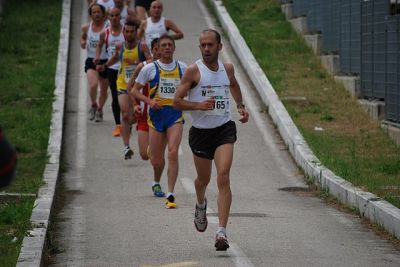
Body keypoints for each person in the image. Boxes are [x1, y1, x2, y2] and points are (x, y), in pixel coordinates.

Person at [173, 29, 249, 251]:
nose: (206, 49)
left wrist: (241, 106)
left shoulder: (227, 69)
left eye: (210, 45)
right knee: (202, 180)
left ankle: (221, 232)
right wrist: (198, 105)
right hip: (201, 133)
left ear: (219, 47)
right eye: (203, 45)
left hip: (224, 129)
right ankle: (200, 203)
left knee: (223, 176)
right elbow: (176, 101)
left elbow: (233, 84)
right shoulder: (193, 72)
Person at [131, 34, 186, 209]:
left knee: (172, 152)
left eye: (170, 44)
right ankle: (156, 181)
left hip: (174, 116)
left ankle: (170, 193)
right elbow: (134, 90)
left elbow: (193, 88)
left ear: (174, 48)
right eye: (164, 45)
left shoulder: (183, 68)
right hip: (156, 117)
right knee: (156, 160)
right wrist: (149, 102)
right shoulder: (150, 69)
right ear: (158, 49)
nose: (167, 47)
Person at [98, 19, 151, 159]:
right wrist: (105, 65)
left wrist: (136, 63)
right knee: (126, 115)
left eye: (131, 31)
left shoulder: (142, 46)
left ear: (136, 32)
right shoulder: (120, 46)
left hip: (138, 86)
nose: (128, 34)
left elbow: (151, 62)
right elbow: (116, 58)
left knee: (134, 117)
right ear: (123, 32)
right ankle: (126, 147)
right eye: (126, 31)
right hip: (122, 84)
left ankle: (135, 126)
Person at [128, 38, 160, 161]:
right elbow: (130, 86)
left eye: (160, 49)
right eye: (155, 49)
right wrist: (135, 104)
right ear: (151, 50)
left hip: (162, 115)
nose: (158, 52)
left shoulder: (171, 67)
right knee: (144, 155)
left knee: (157, 154)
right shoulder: (143, 66)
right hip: (144, 115)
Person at [95, 7, 124, 136]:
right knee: (115, 96)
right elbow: (99, 45)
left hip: (126, 68)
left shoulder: (127, 31)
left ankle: (129, 119)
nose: (114, 18)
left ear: (120, 17)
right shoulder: (105, 33)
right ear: (108, 17)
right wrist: (97, 56)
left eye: (116, 15)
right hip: (112, 68)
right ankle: (118, 125)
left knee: (129, 96)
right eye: (111, 16)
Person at [80, 3, 109, 122]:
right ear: (91, 15)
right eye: (94, 12)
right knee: (93, 84)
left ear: (103, 14)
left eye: (99, 12)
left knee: (103, 90)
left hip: (106, 61)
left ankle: (100, 109)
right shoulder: (86, 27)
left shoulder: (108, 27)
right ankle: (93, 105)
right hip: (91, 59)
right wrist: (82, 42)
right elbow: (83, 37)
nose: (96, 14)